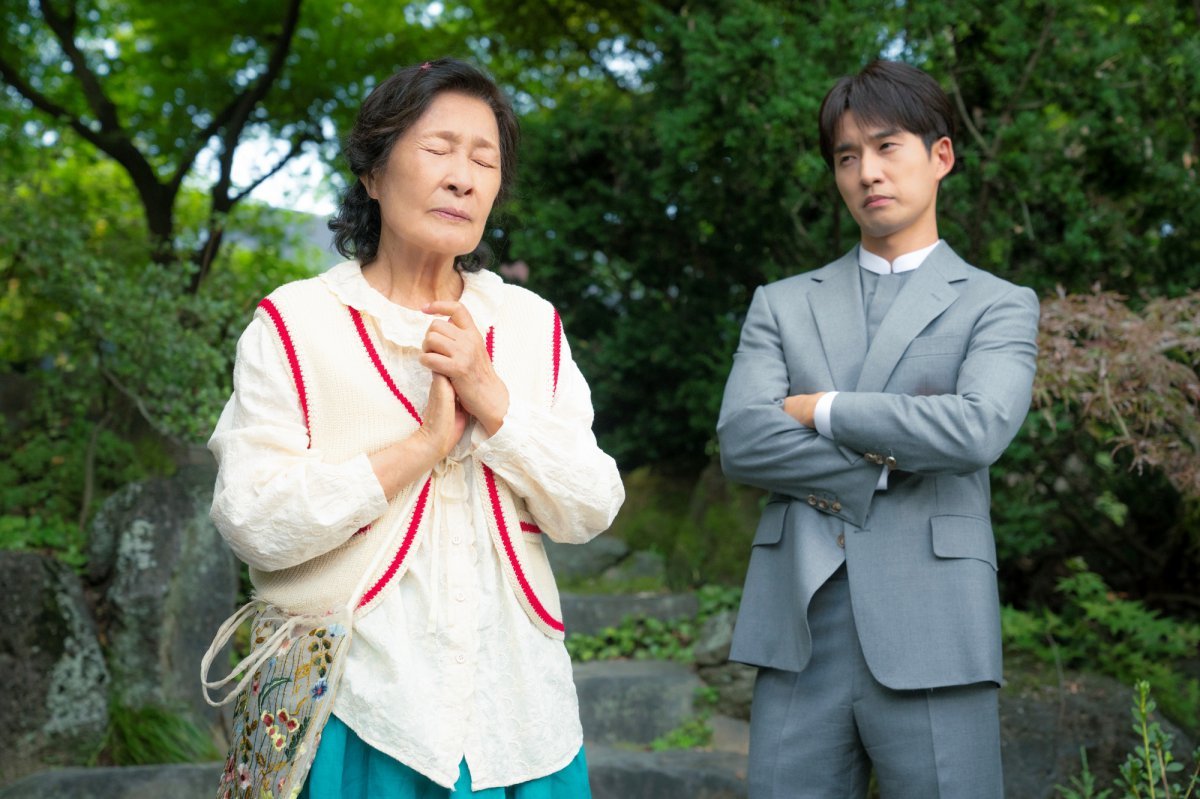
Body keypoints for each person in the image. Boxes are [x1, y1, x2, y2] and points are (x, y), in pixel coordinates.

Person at [207, 57, 624, 798]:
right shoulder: (295, 323)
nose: (463, 178)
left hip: (519, 717)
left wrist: (492, 402)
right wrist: (422, 448)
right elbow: (252, 518)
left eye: (484, 160)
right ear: (372, 172)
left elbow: (591, 505)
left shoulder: (529, 324)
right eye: (438, 149)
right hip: (354, 710)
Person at [716, 59, 1039, 798]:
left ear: (941, 155)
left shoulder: (996, 303)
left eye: (887, 146)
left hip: (937, 622)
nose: (867, 172)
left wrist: (822, 408)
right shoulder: (782, 303)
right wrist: (887, 461)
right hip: (798, 623)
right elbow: (743, 439)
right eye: (846, 156)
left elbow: (976, 429)